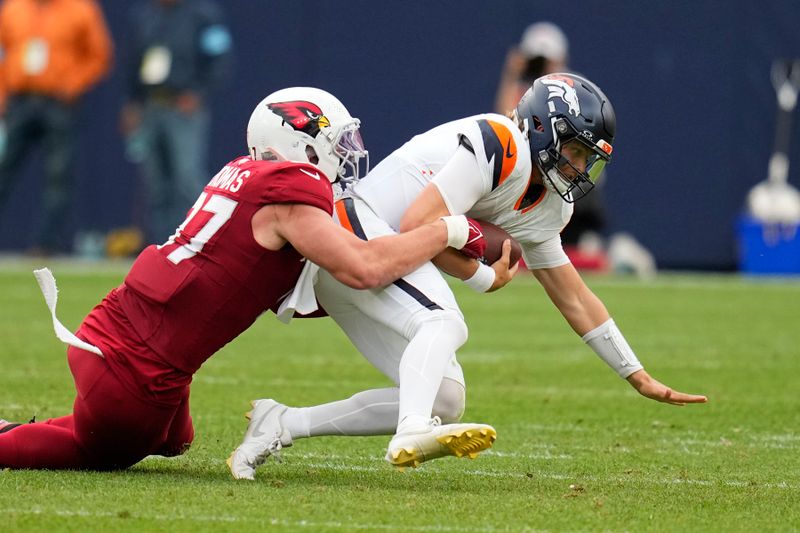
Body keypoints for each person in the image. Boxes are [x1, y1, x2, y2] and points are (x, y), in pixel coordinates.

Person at [229, 73, 708, 480]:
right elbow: (419, 224)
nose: (581, 168)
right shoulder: (502, 144)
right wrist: (479, 275)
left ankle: (282, 423)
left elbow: (574, 297)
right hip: (357, 229)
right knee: (442, 323)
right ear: (542, 128)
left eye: (589, 159)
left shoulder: (550, 208)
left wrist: (636, 374)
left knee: (447, 396)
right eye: (576, 152)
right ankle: (413, 427)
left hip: (385, 249)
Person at [0, 87, 486, 471]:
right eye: (337, 142)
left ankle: (25, 426)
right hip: (134, 373)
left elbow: (267, 283)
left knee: (175, 439)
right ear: (299, 143)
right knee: (104, 448)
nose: (345, 155)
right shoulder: (292, 190)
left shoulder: (242, 175)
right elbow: (364, 268)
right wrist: (448, 227)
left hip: (109, 334)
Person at [0, 0, 113, 255]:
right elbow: (3, 52)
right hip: (19, 101)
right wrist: (3, 94)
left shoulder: (81, 9)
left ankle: (45, 243)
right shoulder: (13, 8)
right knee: (3, 171)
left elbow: (99, 56)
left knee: (58, 176)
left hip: (58, 104)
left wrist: (71, 86)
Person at [119, 0, 234, 244]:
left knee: (186, 178)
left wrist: (198, 92)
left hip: (182, 107)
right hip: (150, 105)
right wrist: (132, 103)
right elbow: (133, 60)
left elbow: (220, 57)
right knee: (156, 184)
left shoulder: (203, 15)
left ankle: (200, 241)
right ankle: (162, 246)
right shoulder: (145, 15)